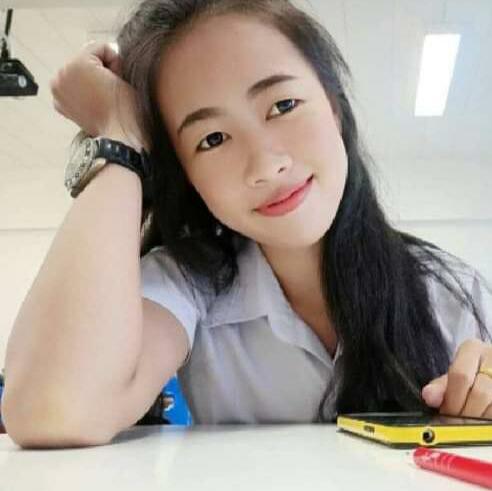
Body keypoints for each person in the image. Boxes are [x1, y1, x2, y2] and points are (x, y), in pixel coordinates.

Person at [2, 0, 492, 448]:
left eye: (283, 105)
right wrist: (118, 135)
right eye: (212, 139)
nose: (265, 165)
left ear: (334, 107)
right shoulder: (189, 283)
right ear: (188, 176)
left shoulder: (453, 292)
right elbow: (52, 410)